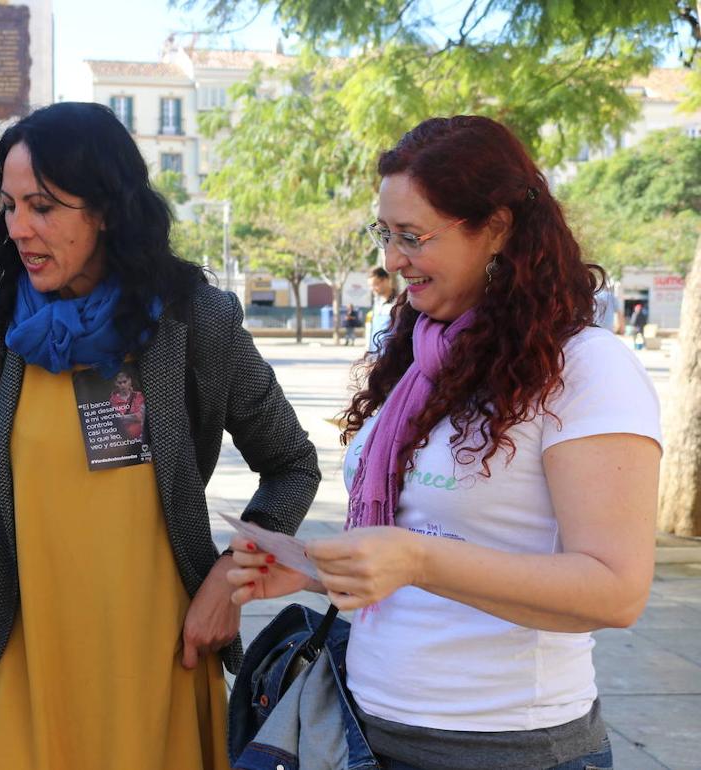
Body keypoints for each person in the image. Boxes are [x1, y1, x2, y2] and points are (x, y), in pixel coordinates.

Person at [0, 102, 321, 770]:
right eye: (10, 205)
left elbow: (291, 464)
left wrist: (229, 578)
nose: (18, 228)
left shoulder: (196, 321)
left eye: (43, 206)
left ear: (108, 209)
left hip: (158, 658)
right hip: (19, 656)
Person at [228, 116, 661, 770]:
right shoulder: (420, 356)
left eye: (413, 236)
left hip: (510, 748)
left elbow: (615, 590)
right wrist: (322, 573)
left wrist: (417, 560)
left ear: (497, 229)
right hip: (364, 730)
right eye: (385, 234)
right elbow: (420, 544)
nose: (392, 260)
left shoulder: (587, 367)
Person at [366, 266, 397, 355]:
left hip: (391, 355)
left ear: (386, 280)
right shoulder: (376, 303)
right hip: (374, 354)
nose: (372, 289)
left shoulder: (399, 303)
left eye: (375, 284)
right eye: (370, 286)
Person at [109, 369, 146, 440]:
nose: (123, 385)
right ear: (116, 384)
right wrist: (134, 416)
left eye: (125, 382)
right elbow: (119, 420)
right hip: (126, 440)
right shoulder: (113, 400)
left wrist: (127, 417)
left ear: (129, 381)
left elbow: (142, 416)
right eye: (120, 383)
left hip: (143, 437)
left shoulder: (139, 396)